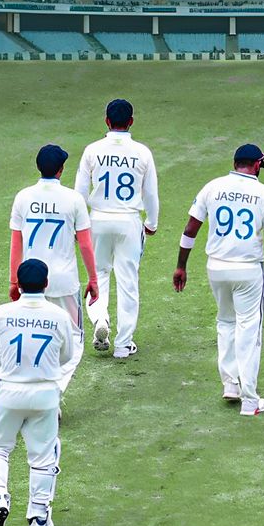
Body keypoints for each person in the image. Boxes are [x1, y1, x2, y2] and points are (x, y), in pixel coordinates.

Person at [173, 143, 264, 416]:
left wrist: (181, 266)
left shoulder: (212, 187)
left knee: (225, 322)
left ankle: (230, 383)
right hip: (248, 270)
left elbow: (191, 228)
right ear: (258, 164)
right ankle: (249, 400)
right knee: (249, 329)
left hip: (216, 268)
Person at [0, 258, 72, 526]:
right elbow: (66, 355)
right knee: (43, 456)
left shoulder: (1, 313)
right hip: (45, 394)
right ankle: (39, 518)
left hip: (8, 391)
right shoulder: (58, 316)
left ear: (17, 284)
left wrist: (8, 374)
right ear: (46, 284)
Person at [9, 144, 98, 394]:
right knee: (74, 340)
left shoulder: (23, 197)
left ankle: (35, 386)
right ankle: (53, 389)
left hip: (29, 279)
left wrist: (14, 282)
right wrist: (94, 279)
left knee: (32, 334)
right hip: (64, 281)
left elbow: (16, 243)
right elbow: (85, 244)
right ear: (61, 170)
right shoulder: (74, 199)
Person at [75, 98, 158, 360]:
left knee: (97, 274)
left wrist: (78, 224)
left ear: (107, 121)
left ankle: (100, 318)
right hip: (129, 220)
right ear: (131, 122)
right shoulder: (142, 152)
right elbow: (151, 193)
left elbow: (80, 190)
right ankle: (123, 344)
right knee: (128, 281)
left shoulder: (92, 150)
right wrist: (151, 222)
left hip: (97, 219)